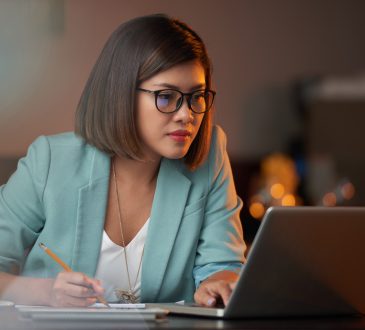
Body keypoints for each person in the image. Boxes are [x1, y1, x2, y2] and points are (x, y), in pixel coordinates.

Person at [0, 13, 245, 307]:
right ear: (122, 94)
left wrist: (218, 284)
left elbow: (223, 265)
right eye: (166, 97)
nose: (186, 115)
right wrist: (47, 292)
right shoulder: (50, 161)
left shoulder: (211, 155)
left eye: (197, 96)